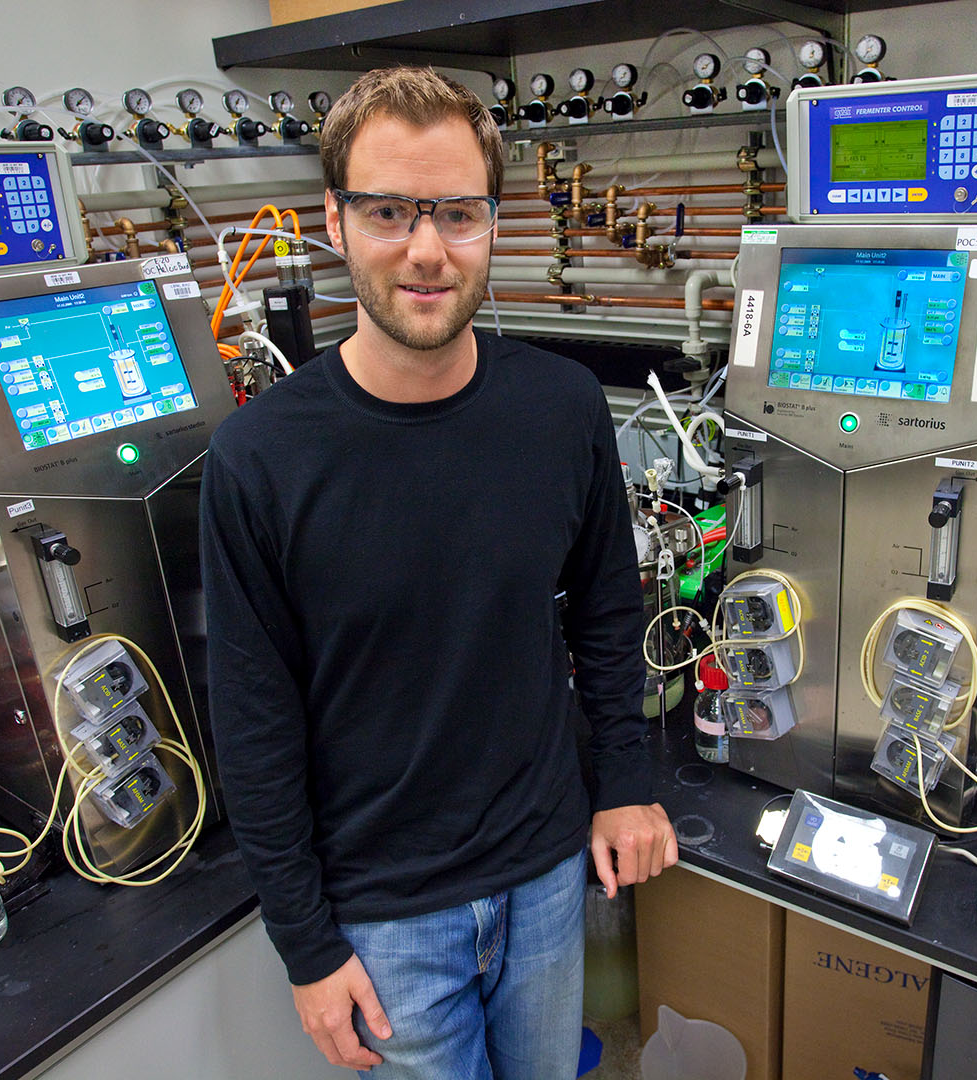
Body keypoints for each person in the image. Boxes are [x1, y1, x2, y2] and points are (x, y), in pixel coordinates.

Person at [200, 66, 678, 1078]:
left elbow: (603, 609)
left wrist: (626, 784)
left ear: (493, 223)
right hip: (383, 918)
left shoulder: (561, 410)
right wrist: (307, 944)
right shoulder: (262, 458)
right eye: (388, 211)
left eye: (457, 213)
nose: (426, 249)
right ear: (335, 221)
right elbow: (254, 723)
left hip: (547, 875)